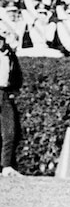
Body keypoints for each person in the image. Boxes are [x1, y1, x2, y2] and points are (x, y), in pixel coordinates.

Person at [0, 37, 23, 177]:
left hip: (5, 93)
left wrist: (14, 90)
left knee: (9, 131)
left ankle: (6, 165)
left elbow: (17, 74)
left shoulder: (9, 55)